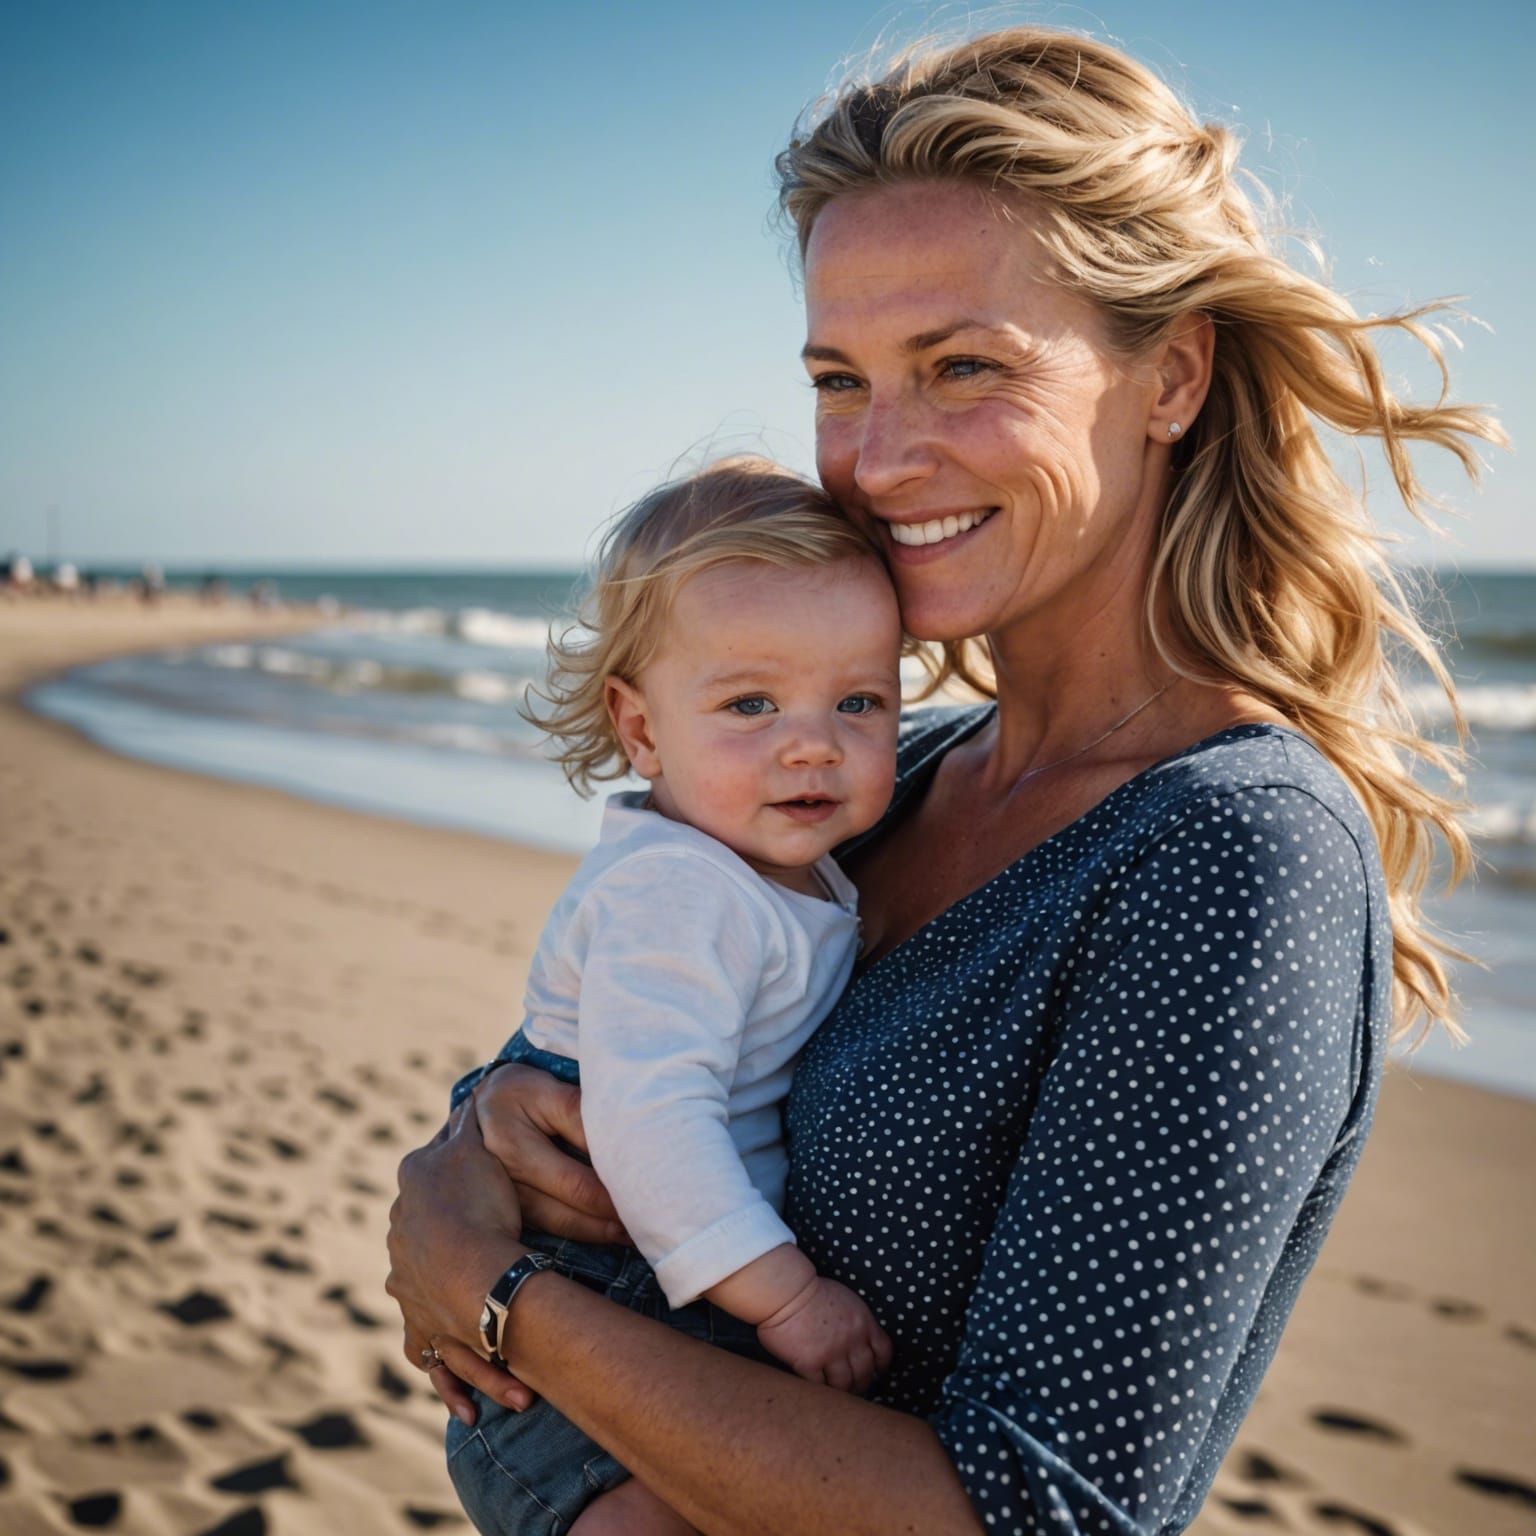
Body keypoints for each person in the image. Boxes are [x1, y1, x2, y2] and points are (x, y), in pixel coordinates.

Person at [387, 27, 1505, 1534]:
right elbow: (618, 1031)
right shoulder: (881, 774)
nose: (880, 457)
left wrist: (506, 1301)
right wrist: (460, 1145)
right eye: (840, 380)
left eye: (962, 366)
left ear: (1170, 375)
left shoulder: (1231, 855)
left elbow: (1034, 1518)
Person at [444, 457, 901, 1536]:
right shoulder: (681, 890)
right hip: (585, 1336)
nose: (812, 741)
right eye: (750, 702)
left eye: (860, 700)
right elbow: (651, 1123)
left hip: (649, 1316)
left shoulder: (767, 866)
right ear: (641, 731)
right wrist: (789, 1298)